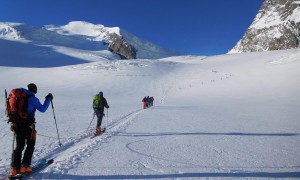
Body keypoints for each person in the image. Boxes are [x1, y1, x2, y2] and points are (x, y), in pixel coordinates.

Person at [10, 83, 53, 176]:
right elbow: (42, 109)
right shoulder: (33, 98)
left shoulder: (16, 96)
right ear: (34, 91)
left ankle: (14, 169)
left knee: (19, 146)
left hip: (16, 124)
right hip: (28, 125)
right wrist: (48, 99)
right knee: (30, 144)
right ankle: (25, 167)